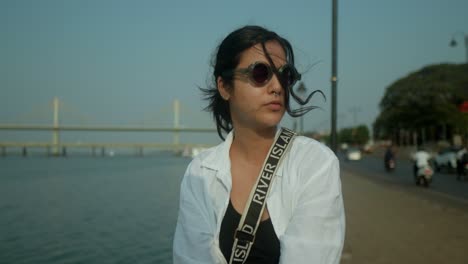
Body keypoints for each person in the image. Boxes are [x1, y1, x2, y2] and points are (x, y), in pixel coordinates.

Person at [173, 25, 345, 264]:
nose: (277, 87)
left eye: (285, 75)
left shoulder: (315, 163)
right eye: (261, 73)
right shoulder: (201, 171)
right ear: (224, 86)